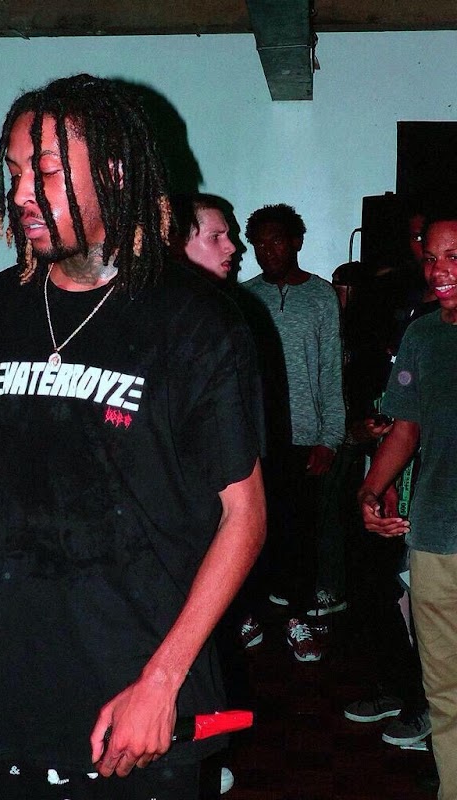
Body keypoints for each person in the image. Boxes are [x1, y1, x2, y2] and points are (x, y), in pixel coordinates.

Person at [0, 74, 266, 800]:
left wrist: (162, 680)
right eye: (15, 173)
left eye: (46, 172)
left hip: (141, 675)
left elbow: (244, 516)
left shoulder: (194, 320)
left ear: (113, 172)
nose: (21, 194)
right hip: (17, 671)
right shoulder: (1, 305)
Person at [357, 207, 457, 799]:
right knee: (444, 691)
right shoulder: (423, 335)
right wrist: (371, 488)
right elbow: (406, 426)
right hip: (434, 537)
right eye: (432, 257)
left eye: (453, 257)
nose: (438, 270)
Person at [243, 203, 345, 662]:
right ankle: (245, 613)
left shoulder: (321, 297)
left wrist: (330, 438)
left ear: (297, 242)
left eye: (277, 241)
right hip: (255, 438)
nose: (268, 251)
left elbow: (330, 371)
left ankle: (297, 618)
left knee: (299, 536)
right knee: (249, 531)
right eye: (260, 243)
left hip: (306, 438)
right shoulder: (244, 298)